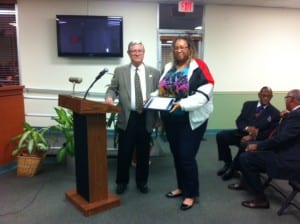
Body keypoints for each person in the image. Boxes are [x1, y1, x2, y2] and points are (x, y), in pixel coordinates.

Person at [154, 36, 215, 210]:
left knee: (186, 156)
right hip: (171, 120)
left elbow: (205, 92)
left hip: (191, 120)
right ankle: (181, 187)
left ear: (190, 49)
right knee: (177, 155)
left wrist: (182, 104)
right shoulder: (169, 67)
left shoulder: (198, 66)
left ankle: (191, 194)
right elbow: (163, 91)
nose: (179, 50)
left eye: (183, 47)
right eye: (176, 47)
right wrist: (151, 98)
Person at [228, 89, 300, 209]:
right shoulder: (292, 114)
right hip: (283, 150)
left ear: (291, 99)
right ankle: (245, 182)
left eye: (286, 98)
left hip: (288, 158)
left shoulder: (296, 117)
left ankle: (261, 199)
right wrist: (284, 117)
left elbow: (279, 139)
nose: (285, 100)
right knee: (246, 147)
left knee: (247, 158)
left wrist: (258, 146)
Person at [105, 40, 161, 195]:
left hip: (146, 117)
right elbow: (112, 89)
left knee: (143, 153)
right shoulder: (120, 71)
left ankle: (142, 182)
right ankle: (121, 182)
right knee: (124, 152)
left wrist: (159, 118)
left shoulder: (155, 73)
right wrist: (109, 97)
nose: (137, 53)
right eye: (133, 51)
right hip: (127, 117)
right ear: (129, 53)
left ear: (144, 53)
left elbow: (161, 94)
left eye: (139, 51)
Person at [216, 87, 280, 180]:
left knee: (244, 144)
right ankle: (228, 163)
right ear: (259, 95)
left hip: (256, 139)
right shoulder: (248, 105)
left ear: (271, 97)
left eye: (269, 96)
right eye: (264, 95)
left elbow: (270, 132)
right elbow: (239, 121)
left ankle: (233, 169)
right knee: (221, 136)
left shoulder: (274, 113)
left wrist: (252, 136)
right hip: (241, 133)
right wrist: (247, 128)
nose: (266, 98)